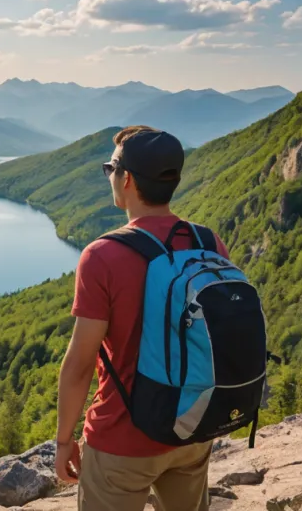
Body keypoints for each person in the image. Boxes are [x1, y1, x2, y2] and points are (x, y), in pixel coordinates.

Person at [54, 126, 230, 511]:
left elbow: (80, 363)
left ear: (127, 178)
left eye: (110, 168)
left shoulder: (102, 256)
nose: (110, 176)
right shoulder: (208, 243)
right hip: (192, 429)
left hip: (123, 439)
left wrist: (65, 439)